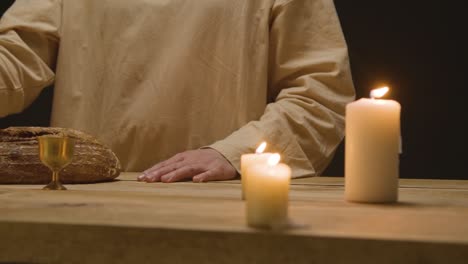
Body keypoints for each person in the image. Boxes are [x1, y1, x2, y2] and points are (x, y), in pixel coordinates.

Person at [0, 0, 355, 183]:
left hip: (213, 204)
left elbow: (320, 94)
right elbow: (17, 53)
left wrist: (234, 154)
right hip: (86, 200)